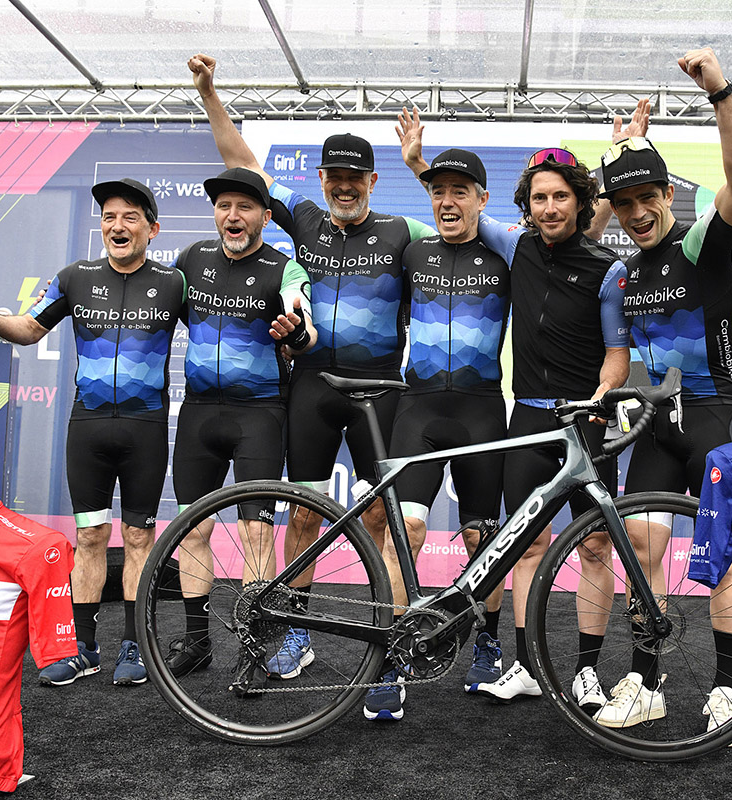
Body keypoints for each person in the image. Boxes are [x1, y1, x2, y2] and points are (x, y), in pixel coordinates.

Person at [190, 53, 435, 680]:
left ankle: (384, 643)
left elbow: (465, 227)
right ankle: (296, 632)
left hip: (381, 392)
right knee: (302, 512)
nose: (345, 187)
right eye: (335, 177)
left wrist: (421, 166)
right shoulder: (302, 218)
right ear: (321, 178)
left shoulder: (403, 231)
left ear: (373, 180)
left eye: (356, 178)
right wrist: (211, 96)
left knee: (378, 517)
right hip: (311, 390)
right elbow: (244, 166)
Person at [398, 111, 630, 706]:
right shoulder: (517, 244)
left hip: (584, 422)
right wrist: (419, 165)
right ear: (527, 205)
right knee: (526, 545)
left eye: (560, 197)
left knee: (595, 546)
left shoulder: (608, 269)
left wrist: (600, 398)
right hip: (526, 418)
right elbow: (459, 207)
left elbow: (616, 355)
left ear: (580, 202)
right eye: (539, 198)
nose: (549, 208)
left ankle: (585, 671)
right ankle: (526, 665)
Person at [0, 178, 187, 687]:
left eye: (129, 217)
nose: (117, 226)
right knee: (89, 535)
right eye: (108, 217)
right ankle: (84, 647)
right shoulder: (75, 277)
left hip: (145, 427)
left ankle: (135, 645)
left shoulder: (174, 282)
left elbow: (216, 332)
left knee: (139, 536)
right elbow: (29, 329)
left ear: (152, 229)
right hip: (88, 426)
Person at [591, 47, 732, 736]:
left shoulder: (698, 247)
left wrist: (719, 93)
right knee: (640, 545)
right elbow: (616, 362)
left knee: (722, 555)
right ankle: (647, 681)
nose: (637, 213)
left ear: (667, 195)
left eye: (647, 198)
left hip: (718, 417)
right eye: (623, 203)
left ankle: (726, 690)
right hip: (657, 423)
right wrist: (599, 399)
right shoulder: (619, 279)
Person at [363, 147, 511, 721]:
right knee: (405, 532)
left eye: (460, 192)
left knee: (483, 539)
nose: (447, 202)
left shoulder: (505, 255)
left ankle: (487, 643)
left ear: (482, 199)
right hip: (418, 409)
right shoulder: (412, 252)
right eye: (438, 191)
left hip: (481, 411)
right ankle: (390, 658)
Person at [163, 166, 316, 678]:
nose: (233, 215)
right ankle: (196, 641)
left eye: (245, 207)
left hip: (260, 414)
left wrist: (295, 330)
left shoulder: (285, 268)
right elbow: (159, 305)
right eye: (224, 206)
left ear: (265, 217)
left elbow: (302, 318)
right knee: (192, 528)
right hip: (199, 413)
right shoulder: (191, 258)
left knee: (256, 531)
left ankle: (256, 647)